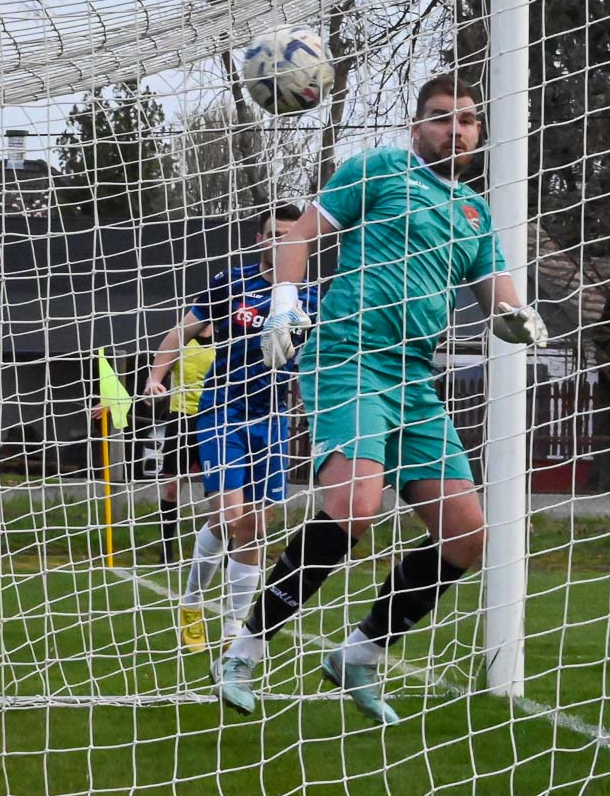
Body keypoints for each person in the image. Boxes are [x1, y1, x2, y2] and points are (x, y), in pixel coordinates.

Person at [212, 74, 548, 722]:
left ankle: (359, 655)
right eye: (441, 117)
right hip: (351, 358)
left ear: (480, 132)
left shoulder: (475, 214)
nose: (455, 129)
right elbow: (299, 234)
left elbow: (499, 293)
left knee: (467, 536)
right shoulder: (380, 170)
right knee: (356, 505)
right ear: (416, 126)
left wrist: (517, 317)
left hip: (414, 379)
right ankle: (245, 649)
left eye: (467, 120)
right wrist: (285, 302)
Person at [143, 205, 316, 654]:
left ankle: (234, 626)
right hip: (223, 410)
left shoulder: (311, 297)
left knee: (255, 526)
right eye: (272, 233)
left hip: (273, 417)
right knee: (228, 517)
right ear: (259, 239)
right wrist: (157, 376)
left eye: (289, 234)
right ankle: (192, 602)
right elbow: (182, 331)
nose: (280, 241)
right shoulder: (232, 282)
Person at [146, 322, 215, 566]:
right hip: (181, 418)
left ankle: (225, 552)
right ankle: (166, 552)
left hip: (213, 418)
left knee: (219, 490)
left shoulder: (225, 340)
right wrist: (153, 385)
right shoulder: (180, 340)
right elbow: (159, 368)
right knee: (172, 486)